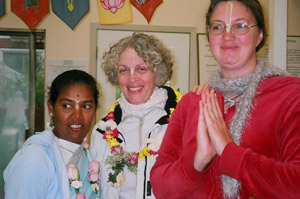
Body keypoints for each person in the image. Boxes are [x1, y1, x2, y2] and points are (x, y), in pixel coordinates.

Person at [150, 0, 300, 199]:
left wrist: (229, 152)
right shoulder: (192, 102)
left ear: (260, 36)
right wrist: (198, 161)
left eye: (240, 26)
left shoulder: (290, 95)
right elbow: (160, 187)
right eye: (218, 27)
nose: (227, 36)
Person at [90, 32, 182, 199]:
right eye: (123, 70)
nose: (132, 78)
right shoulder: (102, 132)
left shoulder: (182, 121)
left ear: (157, 72)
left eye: (141, 69)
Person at [3, 70, 101, 199]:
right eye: (67, 106)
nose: (77, 116)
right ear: (51, 108)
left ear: (95, 110)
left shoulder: (85, 154)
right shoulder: (35, 158)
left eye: (86, 106)